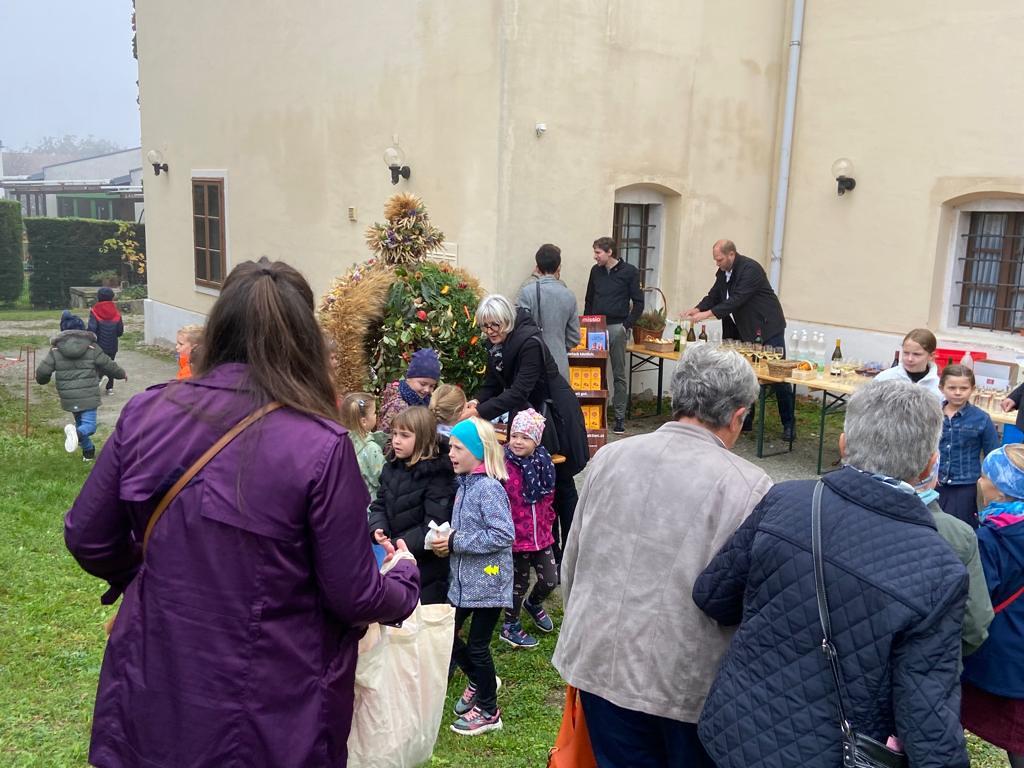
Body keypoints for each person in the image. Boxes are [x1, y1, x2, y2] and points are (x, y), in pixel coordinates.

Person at [63, 258, 420, 768]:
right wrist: (404, 578)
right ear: (304, 341)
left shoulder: (148, 412)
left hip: (160, 681)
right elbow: (354, 593)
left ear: (219, 328)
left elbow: (89, 536)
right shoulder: (320, 445)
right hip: (270, 707)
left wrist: (154, 574)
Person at [694, 380, 970, 768]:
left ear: (843, 445)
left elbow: (713, 596)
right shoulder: (939, 569)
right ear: (929, 464)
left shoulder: (786, 499)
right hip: (830, 751)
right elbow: (927, 716)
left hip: (733, 730)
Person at [552, 345, 771, 768]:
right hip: (684, 683)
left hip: (600, 658)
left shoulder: (611, 457)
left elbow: (573, 558)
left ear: (678, 396)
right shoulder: (749, 486)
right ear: (738, 416)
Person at [462, 294, 588, 564]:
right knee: (539, 482)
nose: (490, 331)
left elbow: (519, 391)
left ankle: (570, 552)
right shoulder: (497, 344)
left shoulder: (529, 342)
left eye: (495, 325)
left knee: (561, 481)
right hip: (531, 414)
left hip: (554, 416)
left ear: (507, 321)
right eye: (485, 326)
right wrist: (476, 402)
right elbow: (493, 383)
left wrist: (480, 413)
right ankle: (547, 549)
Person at [430, 417, 514, 736]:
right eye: (450, 447)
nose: (450, 453)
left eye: (458, 448)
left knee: (478, 647)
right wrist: (447, 540)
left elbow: (503, 534)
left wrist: (455, 540)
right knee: (446, 634)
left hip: (489, 583)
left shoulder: (488, 489)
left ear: (478, 451)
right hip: (464, 585)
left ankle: (490, 712)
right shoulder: (464, 485)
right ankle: (480, 681)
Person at [684, 239, 794, 440]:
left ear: (731, 254)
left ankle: (789, 424)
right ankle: (746, 419)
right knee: (743, 375)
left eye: (719, 259)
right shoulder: (723, 273)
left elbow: (736, 300)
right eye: (715, 260)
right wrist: (697, 308)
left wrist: (707, 314)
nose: (717, 263)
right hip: (742, 330)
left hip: (767, 327)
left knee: (778, 377)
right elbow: (714, 295)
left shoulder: (750, 270)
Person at [962, 445, 1024, 768]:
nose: (979, 480)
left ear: (1001, 489)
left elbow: (975, 600)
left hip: (998, 660)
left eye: (986, 475)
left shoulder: (991, 539)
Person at [368, 406, 455, 605]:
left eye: (405, 435)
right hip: (394, 558)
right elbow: (380, 503)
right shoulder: (391, 467)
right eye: (395, 434)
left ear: (423, 438)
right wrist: (378, 526)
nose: (396, 440)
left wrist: (397, 545)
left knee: (421, 616)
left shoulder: (438, 476)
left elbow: (434, 526)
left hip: (425, 568)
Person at [914, 458, 993, 656]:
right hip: (939, 657)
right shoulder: (962, 534)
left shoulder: (982, 538)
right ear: (932, 466)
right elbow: (975, 623)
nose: (980, 480)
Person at [500, 408, 558, 650]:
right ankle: (510, 626)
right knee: (518, 583)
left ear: (536, 441)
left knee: (550, 580)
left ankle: (533, 604)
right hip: (517, 538)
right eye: (514, 435)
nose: (517, 442)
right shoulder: (503, 464)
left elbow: (549, 495)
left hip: (541, 535)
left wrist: (548, 519)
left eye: (525, 437)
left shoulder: (544, 462)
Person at [36, 314, 126, 462]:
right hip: (88, 394)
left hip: (69, 396)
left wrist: (42, 380)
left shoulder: (55, 350)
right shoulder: (92, 347)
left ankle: (88, 452)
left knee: (79, 424)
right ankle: (77, 435)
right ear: (82, 329)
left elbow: (43, 371)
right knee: (89, 426)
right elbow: (108, 364)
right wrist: (121, 374)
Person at [584, 237, 643, 434]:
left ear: (609, 252)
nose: (595, 256)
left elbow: (639, 302)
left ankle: (619, 417)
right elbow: (589, 299)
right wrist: (587, 324)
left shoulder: (629, 272)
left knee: (618, 372)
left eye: (598, 252)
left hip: (617, 326)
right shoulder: (595, 271)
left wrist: (626, 325)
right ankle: (595, 414)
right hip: (596, 327)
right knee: (596, 371)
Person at [934, 364, 999, 528]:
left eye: (963, 388)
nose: (958, 392)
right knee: (932, 525)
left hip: (965, 485)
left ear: (972, 389)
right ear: (941, 388)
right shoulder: (932, 415)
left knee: (960, 528)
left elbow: (992, 455)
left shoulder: (982, 418)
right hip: (934, 482)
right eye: (952, 388)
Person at [516, 243, 581, 382]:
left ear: (538, 267)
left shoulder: (527, 292)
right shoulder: (569, 295)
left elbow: (519, 329)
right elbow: (574, 337)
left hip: (531, 363)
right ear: (559, 267)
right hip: (559, 363)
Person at [378, 347, 441, 435]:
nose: (427, 390)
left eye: (432, 386)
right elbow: (384, 436)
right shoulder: (399, 406)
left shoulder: (425, 401)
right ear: (409, 378)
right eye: (423, 384)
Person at [339, 391, 386, 503]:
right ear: (364, 421)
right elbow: (383, 478)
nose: (376, 415)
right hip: (370, 504)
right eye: (374, 413)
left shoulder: (341, 442)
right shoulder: (371, 448)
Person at [873, 327, 942, 400]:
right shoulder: (885, 378)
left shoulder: (938, 387)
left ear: (931, 356)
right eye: (906, 353)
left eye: (916, 354)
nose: (910, 359)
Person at [88, 286, 124, 394]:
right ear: (112, 298)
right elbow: (120, 331)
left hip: (98, 346)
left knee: (97, 365)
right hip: (112, 345)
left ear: (98, 297)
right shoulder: (116, 313)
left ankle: (96, 383)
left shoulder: (94, 312)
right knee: (110, 365)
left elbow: (92, 330)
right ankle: (109, 388)